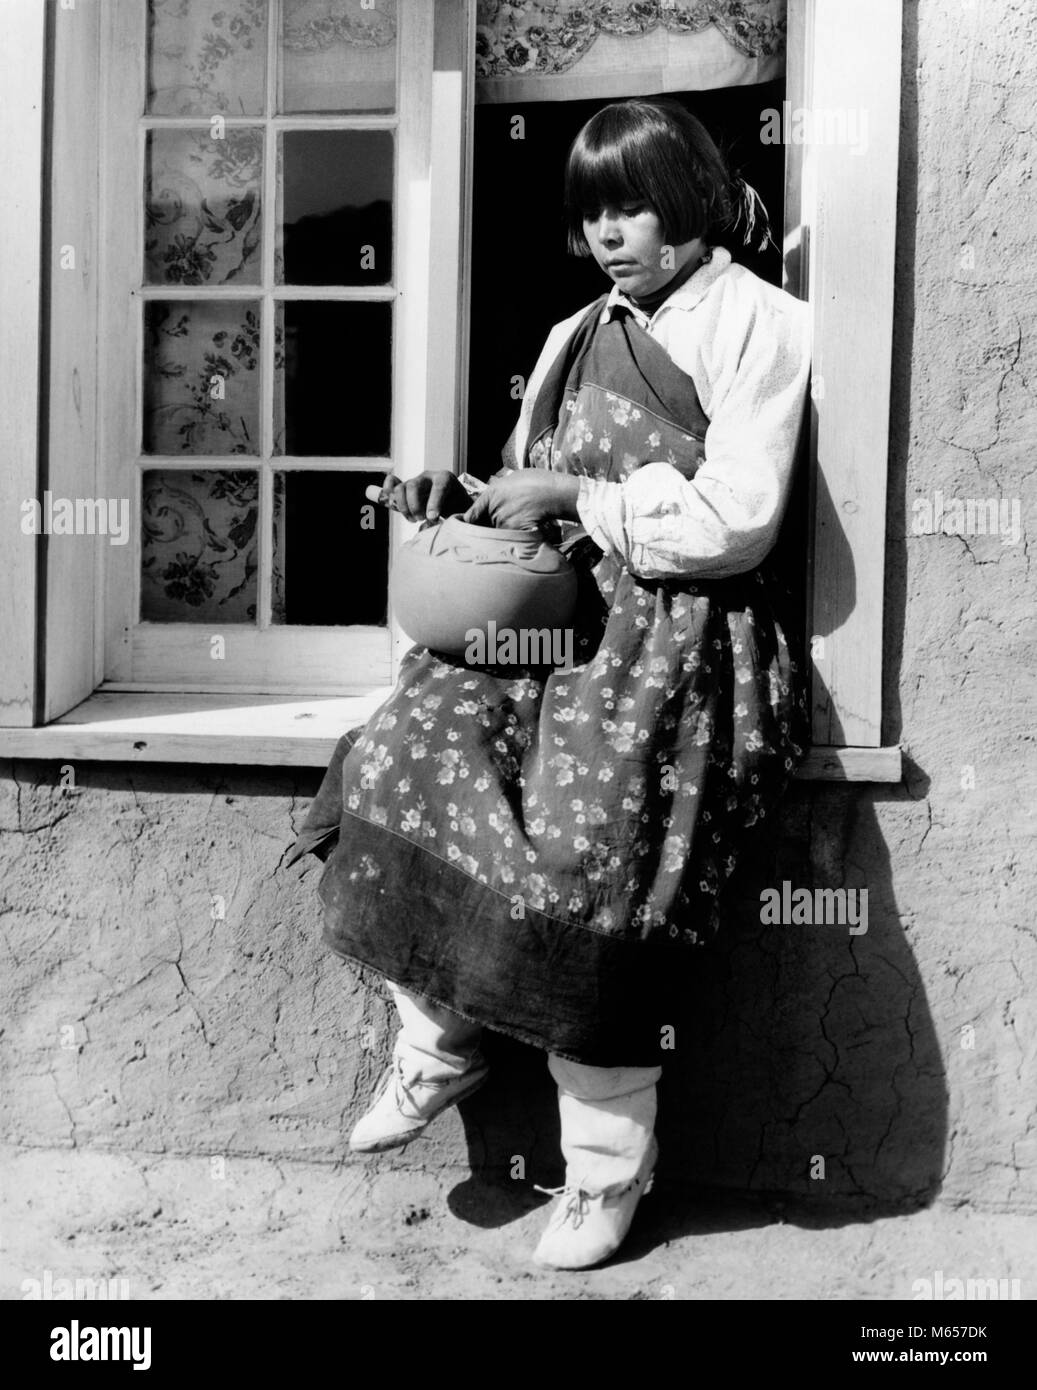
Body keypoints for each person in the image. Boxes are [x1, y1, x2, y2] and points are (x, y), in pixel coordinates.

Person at [285, 97, 811, 1270]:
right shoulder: (578, 330)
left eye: (628, 204)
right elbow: (532, 487)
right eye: (589, 213)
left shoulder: (759, 324)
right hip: (561, 617)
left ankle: (603, 1172)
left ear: (689, 197)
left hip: (684, 639)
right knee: (416, 737)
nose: (607, 233)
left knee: (590, 835)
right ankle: (436, 1035)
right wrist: (466, 496)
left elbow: (738, 519)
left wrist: (578, 501)